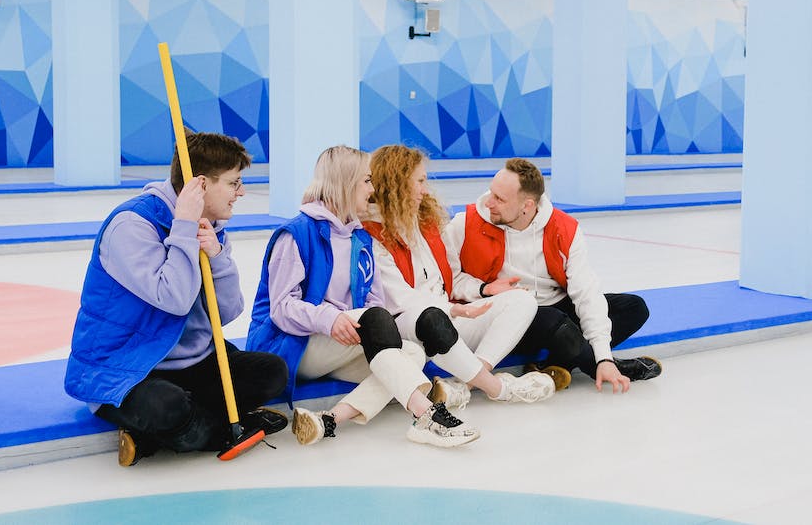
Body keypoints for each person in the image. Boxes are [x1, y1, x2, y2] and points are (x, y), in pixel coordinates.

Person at [64, 131, 289, 467]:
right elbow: (175, 299)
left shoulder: (209, 224)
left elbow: (227, 312)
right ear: (200, 185)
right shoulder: (132, 225)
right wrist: (182, 226)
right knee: (167, 408)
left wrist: (216, 256)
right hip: (130, 365)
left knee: (272, 373)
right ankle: (208, 428)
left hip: (191, 362)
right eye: (233, 183)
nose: (241, 192)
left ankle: (158, 434)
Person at [247, 145, 478, 448]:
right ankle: (426, 416)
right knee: (378, 324)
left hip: (343, 340)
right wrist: (331, 319)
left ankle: (327, 420)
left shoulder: (359, 238)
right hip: (295, 346)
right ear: (346, 184)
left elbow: (373, 302)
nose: (372, 189)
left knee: (411, 354)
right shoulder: (296, 233)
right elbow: (281, 308)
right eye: (366, 181)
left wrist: (350, 322)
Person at [444, 158, 662, 394]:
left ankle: (553, 366)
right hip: (506, 313)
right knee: (557, 323)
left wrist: (603, 353)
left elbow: (586, 292)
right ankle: (600, 365)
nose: (488, 202)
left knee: (634, 308)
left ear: (527, 205)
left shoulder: (564, 228)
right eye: (491, 192)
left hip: (555, 306)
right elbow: (449, 282)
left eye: (500, 199)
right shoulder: (464, 224)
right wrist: (485, 288)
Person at [363, 144, 555, 410]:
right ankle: (498, 388)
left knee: (522, 301)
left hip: (449, 320)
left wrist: (485, 289)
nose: (425, 189)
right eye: (419, 181)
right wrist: (452, 309)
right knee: (430, 314)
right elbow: (400, 300)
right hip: (409, 327)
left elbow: (452, 279)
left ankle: (465, 385)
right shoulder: (371, 234)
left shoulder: (427, 222)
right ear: (397, 183)